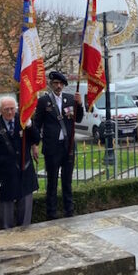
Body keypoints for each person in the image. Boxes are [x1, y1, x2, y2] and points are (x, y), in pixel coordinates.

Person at [32, 71, 84, 219]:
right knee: (52, 181)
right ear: (51, 84)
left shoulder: (70, 99)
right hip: (52, 147)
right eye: (56, 83)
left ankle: (69, 210)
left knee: (67, 181)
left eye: (61, 84)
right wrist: (35, 144)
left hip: (67, 147)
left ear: (64, 85)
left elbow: (78, 119)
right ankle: (52, 212)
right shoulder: (44, 101)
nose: (58, 86)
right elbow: (37, 124)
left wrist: (79, 104)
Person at [0, 96, 41, 229]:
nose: (10, 112)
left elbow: (37, 139)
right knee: (6, 218)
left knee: (25, 216)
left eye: (12, 109)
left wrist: (30, 126)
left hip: (25, 172)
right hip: (5, 176)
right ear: (0, 110)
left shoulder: (23, 122)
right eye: (6, 109)